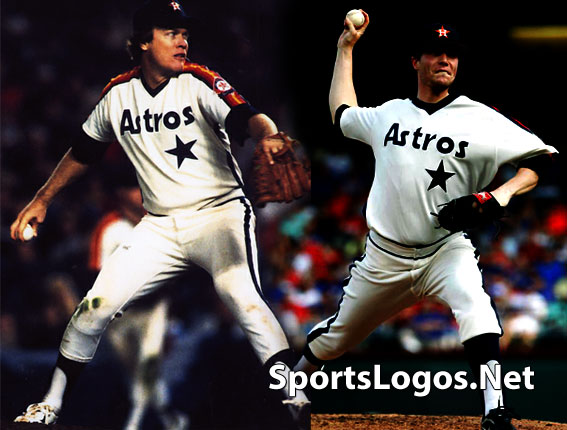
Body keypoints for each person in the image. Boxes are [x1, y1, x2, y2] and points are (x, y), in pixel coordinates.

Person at [10, 0, 309, 427]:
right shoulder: (117, 95)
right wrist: (41, 199)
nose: (182, 40)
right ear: (143, 42)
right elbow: (84, 151)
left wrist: (270, 134)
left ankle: (298, 401)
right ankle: (49, 405)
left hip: (219, 213)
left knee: (241, 299)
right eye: (170, 32)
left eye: (184, 33)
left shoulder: (199, 81)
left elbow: (247, 116)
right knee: (93, 307)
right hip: (160, 225)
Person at [293, 12, 558, 430]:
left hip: (445, 249)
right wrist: (345, 49)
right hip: (385, 256)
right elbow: (342, 113)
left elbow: (545, 161)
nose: (445, 60)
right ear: (414, 61)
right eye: (435, 52)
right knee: (337, 337)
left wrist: (497, 195)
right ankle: (292, 385)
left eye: (452, 54)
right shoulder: (389, 115)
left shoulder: (482, 118)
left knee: (477, 308)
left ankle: (495, 410)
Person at [88, 166, 188, 430]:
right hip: (119, 314)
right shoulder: (109, 227)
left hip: (154, 308)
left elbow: (176, 269)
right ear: (121, 193)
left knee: (147, 368)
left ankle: (134, 424)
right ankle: (172, 420)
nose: (139, 193)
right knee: (135, 375)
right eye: (133, 188)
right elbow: (96, 273)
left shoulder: (161, 222)